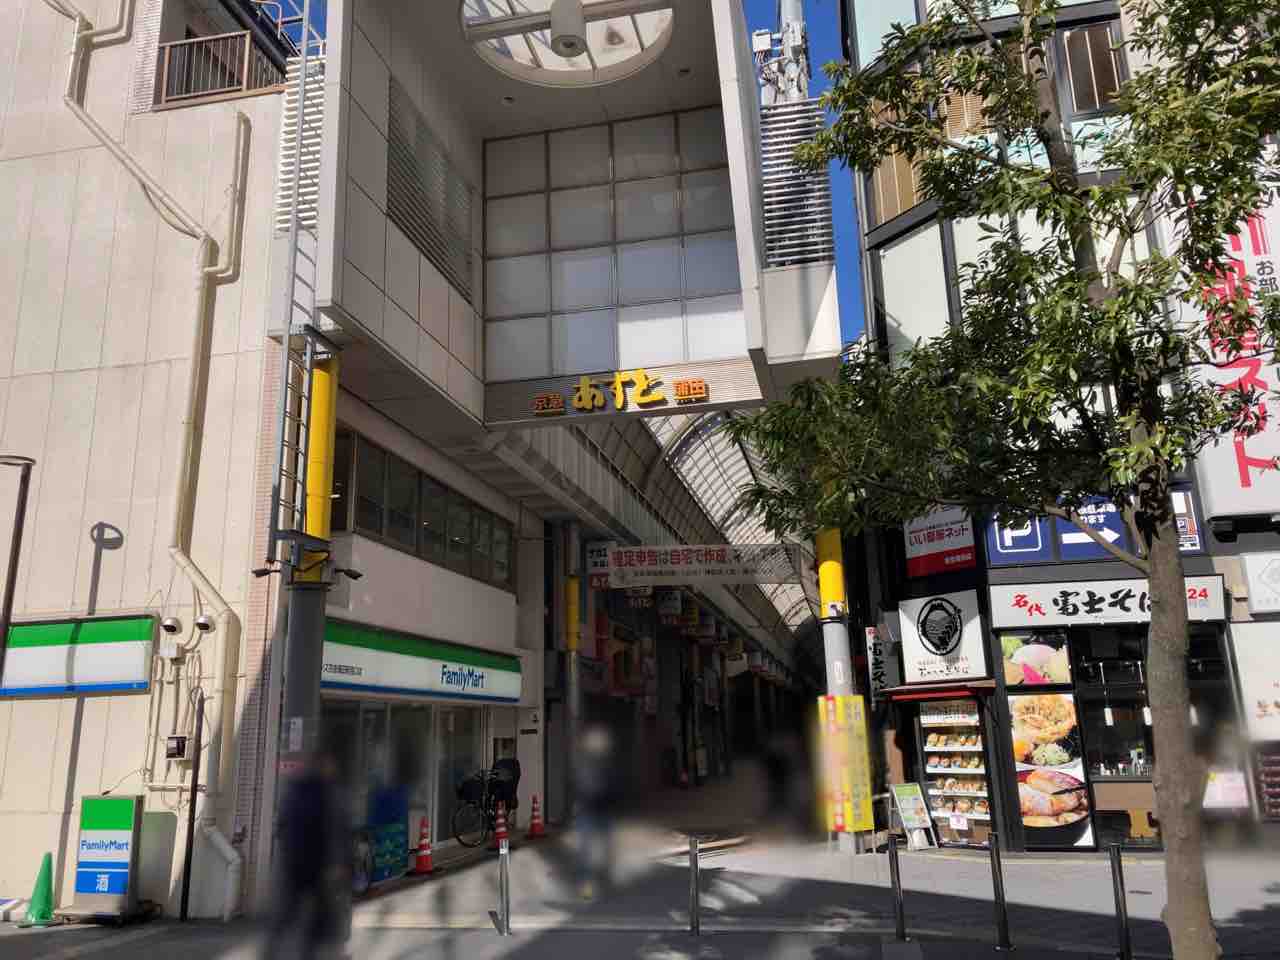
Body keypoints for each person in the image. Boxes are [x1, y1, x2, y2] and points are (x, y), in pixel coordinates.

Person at [264, 750, 352, 959]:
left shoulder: (294, 792)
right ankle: (320, 951)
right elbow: (334, 830)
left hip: (295, 863)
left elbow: (282, 827)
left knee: (290, 911)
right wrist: (338, 862)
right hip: (319, 865)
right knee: (325, 912)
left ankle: (274, 950)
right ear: (323, 767)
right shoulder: (326, 794)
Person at [573, 723, 617, 899]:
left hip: (601, 811)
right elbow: (580, 788)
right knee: (588, 851)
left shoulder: (606, 766)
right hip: (590, 812)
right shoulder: (585, 766)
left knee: (602, 849)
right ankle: (588, 884)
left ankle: (603, 880)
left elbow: (613, 788)